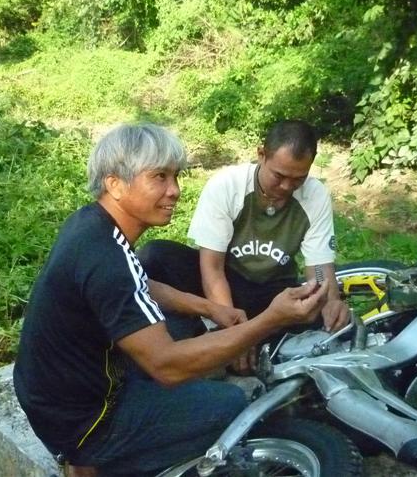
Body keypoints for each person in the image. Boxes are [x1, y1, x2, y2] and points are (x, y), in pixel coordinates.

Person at [13, 123, 331, 476]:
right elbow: (167, 367)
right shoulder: (107, 260)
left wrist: (210, 308)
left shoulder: (90, 225)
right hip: (85, 419)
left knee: (177, 324)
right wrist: (270, 320)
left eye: (176, 176)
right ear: (115, 184)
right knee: (235, 403)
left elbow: (140, 283)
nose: (175, 190)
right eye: (159, 177)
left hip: (52, 393)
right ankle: (108, 462)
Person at [138, 120, 350, 369]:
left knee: (334, 324)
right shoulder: (227, 185)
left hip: (273, 292)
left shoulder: (315, 195)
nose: (286, 186)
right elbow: (212, 269)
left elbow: (319, 268)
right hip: (225, 282)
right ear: (261, 155)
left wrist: (330, 299)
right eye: (279, 176)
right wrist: (234, 336)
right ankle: (191, 334)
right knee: (155, 256)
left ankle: (258, 344)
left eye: (298, 179)